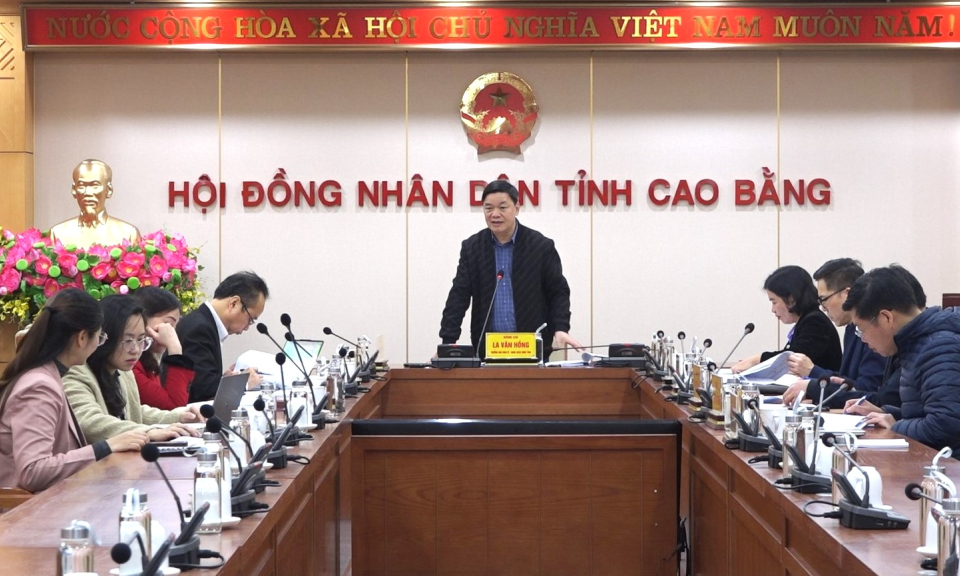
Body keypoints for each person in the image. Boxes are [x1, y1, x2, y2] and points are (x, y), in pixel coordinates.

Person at [0, 289, 148, 493]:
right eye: (100, 337)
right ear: (82, 338)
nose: (99, 345)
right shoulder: (39, 386)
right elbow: (34, 471)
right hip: (30, 508)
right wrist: (105, 447)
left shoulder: (48, 376)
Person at [439, 180, 583, 360]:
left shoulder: (540, 246)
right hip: (488, 350)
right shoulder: (473, 248)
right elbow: (458, 296)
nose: (495, 214)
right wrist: (448, 342)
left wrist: (560, 327)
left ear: (517, 208)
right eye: (488, 208)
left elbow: (558, 292)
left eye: (502, 207)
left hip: (531, 348)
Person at [843, 266, 960, 453]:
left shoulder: (939, 347)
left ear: (886, 318)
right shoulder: (915, 342)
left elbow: (945, 426)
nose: (863, 339)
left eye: (861, 330)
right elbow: (924, 412)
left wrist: (896, 426)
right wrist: (887, 414)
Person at [63, 295, 202, 444]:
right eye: (128, 340)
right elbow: (89, 422)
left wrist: (178, 417)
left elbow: (133, 412)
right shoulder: (75, 372)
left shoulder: (124, 372)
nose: (135, 350)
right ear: (104, 336)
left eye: (141, 339)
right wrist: (149, 432)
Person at [781, 259, 885, 408]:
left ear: (847, 294)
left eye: (824, 299)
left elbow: (867, 390)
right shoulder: (851, 329)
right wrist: (814, 392)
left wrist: (813, 373)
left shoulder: (874, 329)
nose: (823, 308)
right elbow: (847, 382)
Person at [177, 271, 269, 403]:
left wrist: (224, 380)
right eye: (250, 319)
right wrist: (242, 383)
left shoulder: (204, 322)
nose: (247, 327)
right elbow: (203, 389)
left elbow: (202, 378)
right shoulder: (199, 328)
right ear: (234, 303)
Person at [732, 265, 841, 373]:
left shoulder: (815, 322)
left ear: (791, 299)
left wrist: (757, 359)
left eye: (774, 302)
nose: (773, 310)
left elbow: (792, 357)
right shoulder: (806, 320)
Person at [49, 159, 141, 248]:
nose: (88, 193)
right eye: (81, 186)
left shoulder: (128, 233)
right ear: (74, 190)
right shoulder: (57, 234)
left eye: (95, 185)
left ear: (109, 190)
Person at [131, 287, 194, 409]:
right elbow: (174, 406)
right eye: (168, 324)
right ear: (142, 318)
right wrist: (175, 351)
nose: (172, 333)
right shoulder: (130, 362)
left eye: (174, 327)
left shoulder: (149, 359)